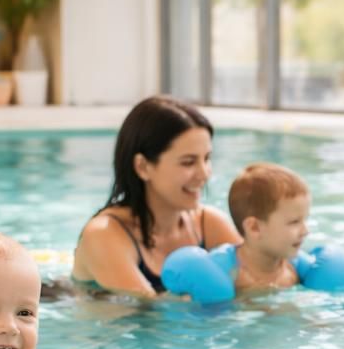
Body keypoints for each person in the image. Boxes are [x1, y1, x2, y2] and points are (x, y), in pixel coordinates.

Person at [72, 96, 241, 297]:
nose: (204, 174)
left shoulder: (209, 223)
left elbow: (257, 280)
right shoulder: (104, 235)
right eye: (188, 162)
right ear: (143, 167)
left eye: (206, 159)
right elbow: (149, 311)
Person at [226, 163, 312, 293]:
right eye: (294, 222)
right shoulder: (233, 276)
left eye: (305, 220)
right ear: (254, 228)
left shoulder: (294, 272)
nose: (305, 231)